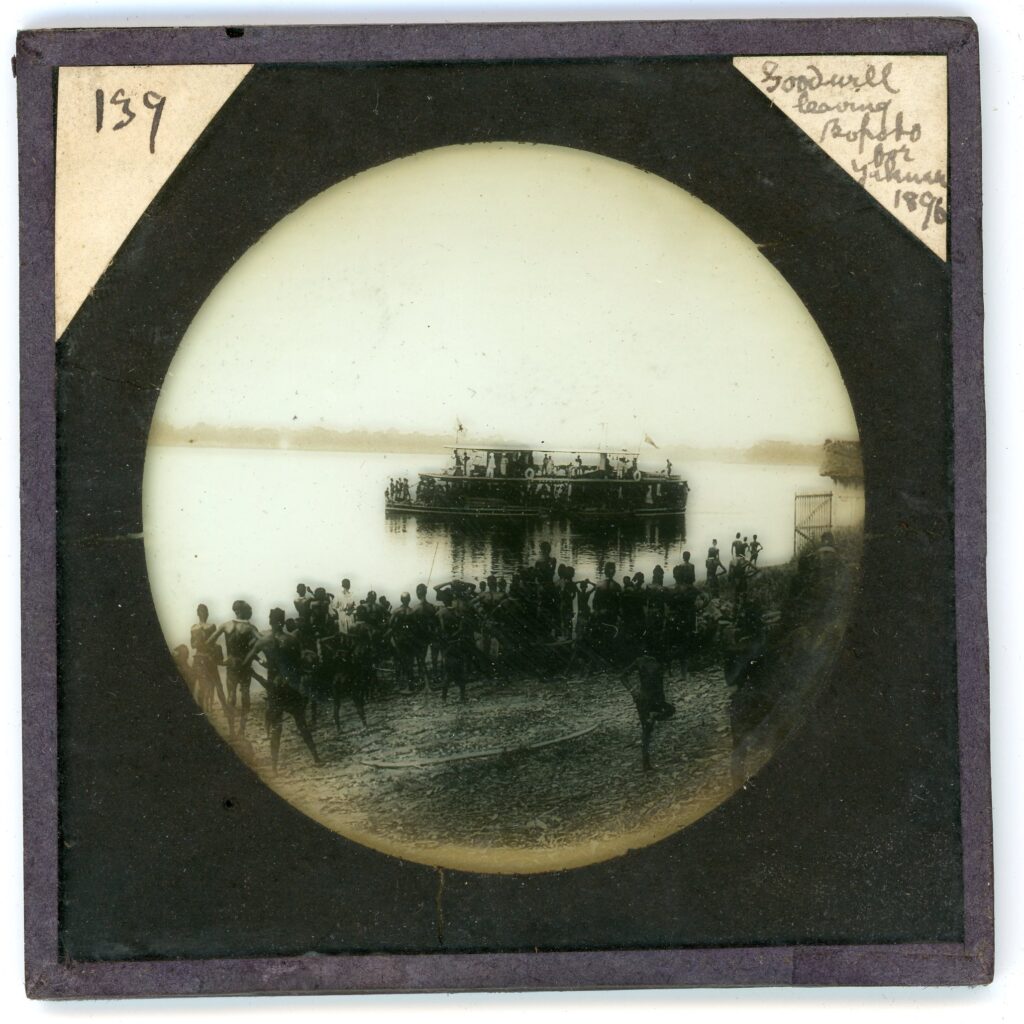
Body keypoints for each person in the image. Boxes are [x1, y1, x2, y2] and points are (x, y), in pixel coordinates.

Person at [241, 607, 320, 770]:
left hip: (274, 688)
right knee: (301, 724)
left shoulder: (263, 641)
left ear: (270, 621)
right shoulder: (292, 640)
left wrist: (257, 665)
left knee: (276, 728)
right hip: (290, 686)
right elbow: (298, 664)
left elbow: (246, 661)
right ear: (283, 621)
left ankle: (275, 768)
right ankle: (315, 757)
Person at [620, 644, 676, 771]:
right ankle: (646, 763)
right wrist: (633, 691)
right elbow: (622, 676)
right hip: (647, 700)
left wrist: (633, 691)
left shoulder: (652, 661)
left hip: (650, 699)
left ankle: (646, 762)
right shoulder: (645, 661)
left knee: (649, 729)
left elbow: (623, 676)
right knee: (647, 730)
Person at [211, 600, 260, 736]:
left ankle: (232, 730)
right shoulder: (250, 627)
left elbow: (210, 642)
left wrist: (219, 659)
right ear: (244, 611)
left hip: (230, 664)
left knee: (231, 695)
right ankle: (242, 729)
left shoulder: (225, 625)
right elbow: (261, 640)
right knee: (245, 693)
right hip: (244, 664)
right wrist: (252, 648)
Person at [190, 603, 233, 730]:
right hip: (201, 657)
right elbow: (192, 644)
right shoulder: (194, 627)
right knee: (203, 686)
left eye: (204, 611)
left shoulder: (210, 626)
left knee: (217, 684)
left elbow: (212, 643)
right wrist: (198, 641)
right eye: (202, 611)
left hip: (205, 657)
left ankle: (225, 710)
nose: (203, 613)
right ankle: (202, 711)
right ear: (199, 613)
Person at [390, 592, 419, 693]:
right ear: (409, 599)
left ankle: (405, 685)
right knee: (410, 662)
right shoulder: (412, 611)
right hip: (410, 639)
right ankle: (410, 685)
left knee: (401, 662)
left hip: (401, 639)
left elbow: (390, 624)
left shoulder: (397, 611)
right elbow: (416, 626)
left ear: (401, 600)